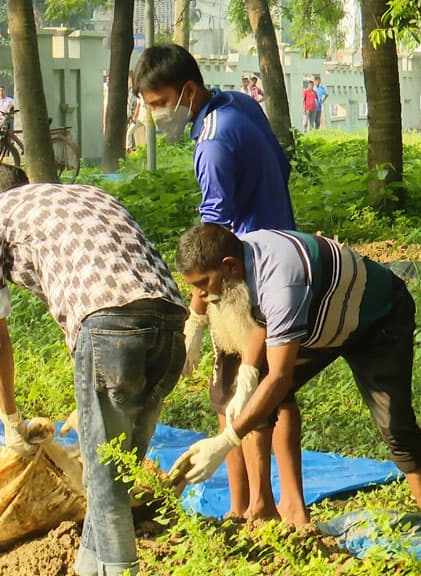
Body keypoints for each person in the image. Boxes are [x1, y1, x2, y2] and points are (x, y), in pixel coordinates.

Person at [0, 165, 187, 576]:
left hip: (108, 325)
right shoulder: (88, 195)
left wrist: (10, 419)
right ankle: (87, 567)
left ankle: (121, 570)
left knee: (104, 482)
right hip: (170, 325)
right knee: (115, 471)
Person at [169, 223, 421, 542]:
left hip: (376, 321)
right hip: (320, 322)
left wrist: (227, 440)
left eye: (204, 285)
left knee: (396, 428)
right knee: (253, 394)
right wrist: (205, 330)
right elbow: (263, 320)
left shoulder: (281, 282)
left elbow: (279, 376)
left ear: (229, 268)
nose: (202, 295)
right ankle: (266, 509)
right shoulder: (237, 255)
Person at [133, 43, 296, 520]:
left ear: (188, 91)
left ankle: (254, 506)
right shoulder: (240, 104)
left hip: (240, 275)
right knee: (276, 393)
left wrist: (197, 317)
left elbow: (211, 240)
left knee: (235, 396)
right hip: (279, 256)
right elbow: (280, 169)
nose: (155, 114)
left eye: (160, 102)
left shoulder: (211, 144)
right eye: (148, 104)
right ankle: (261, 504)